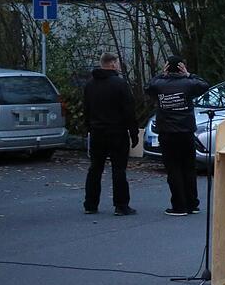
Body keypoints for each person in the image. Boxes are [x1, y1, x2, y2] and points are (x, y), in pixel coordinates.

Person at [146, 56, 209, 215]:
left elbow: (148, 87)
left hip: (167, 133)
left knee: (173, 169)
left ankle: (179, 205)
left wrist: (162, 74)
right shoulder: (189, 84)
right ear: (182, 67)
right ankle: (192, 203)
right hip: (186, 132)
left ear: (167, 68)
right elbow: (204, 86)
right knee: (188, 168)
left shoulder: (159, 85)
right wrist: (189, 75)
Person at [83, 52, 139, 216]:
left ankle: (90, 204)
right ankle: (121, 205)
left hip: (97, 132)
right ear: (113, 64)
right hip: (117, 132)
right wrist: (134, 133)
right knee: (119, 169)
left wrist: (87, 129)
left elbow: (86, 109)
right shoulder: (120, 84)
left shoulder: (90, 85)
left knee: (95, 168)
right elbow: (129, 111)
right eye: (117, 63)